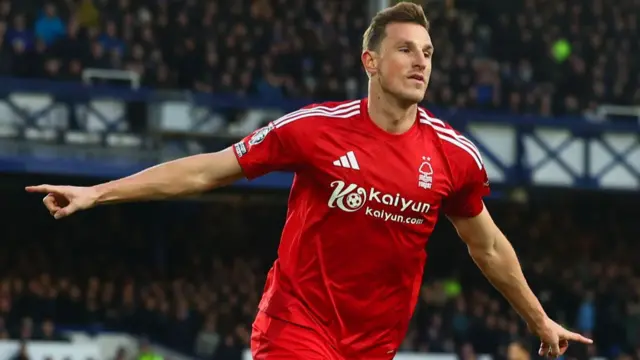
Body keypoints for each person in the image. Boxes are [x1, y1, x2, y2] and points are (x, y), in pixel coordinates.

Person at [26, 2, 592, 359]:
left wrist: (538, 319)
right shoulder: (315, 129)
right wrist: (98, 191)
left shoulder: (453, 156)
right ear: (369, 61)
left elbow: (486, 245)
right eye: (405, 50)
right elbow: (207, 169)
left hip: (374, 345)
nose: (421, 62)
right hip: (296, 326)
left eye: (428, 53)